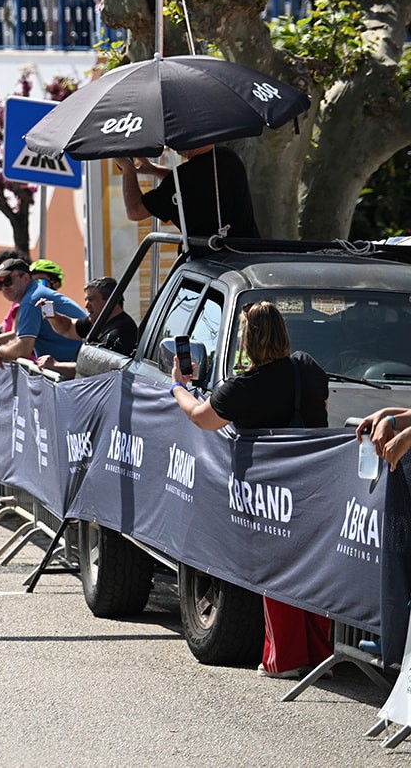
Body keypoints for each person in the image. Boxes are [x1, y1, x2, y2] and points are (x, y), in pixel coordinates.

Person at [170, 301, 331, 679]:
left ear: (247, 340)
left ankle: (285, 660)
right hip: (316, 482)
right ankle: (321, 657)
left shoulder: (242, 387)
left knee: (277, 573)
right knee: (316, 572)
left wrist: (179, 386)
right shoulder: (307, 367)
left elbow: (201, 418)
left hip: (269, 492)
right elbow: (320, 407)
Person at [0, 258, 86, 377]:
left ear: (26, 277)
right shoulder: (33, 296)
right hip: (79, 369)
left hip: (81, 373)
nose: (4, 288)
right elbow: (18, 338)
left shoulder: (32, 299)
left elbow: (23, 348)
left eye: (8, 281)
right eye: (0, 285)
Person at [121, 145, 261, 239]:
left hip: (209, 268)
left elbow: (135, 211)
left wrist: (128, 170)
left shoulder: (183, 179)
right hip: (249, 258)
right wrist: (153, 169)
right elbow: (197, 183)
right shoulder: (228, 158)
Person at [38, 276, 140, 378]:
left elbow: (98, 371)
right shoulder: (98, 321)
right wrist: (53, 316)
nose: (86, 305)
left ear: (110, 301)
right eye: (86, 299)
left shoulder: (121, 331)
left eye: (91, 299)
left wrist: (56, 366)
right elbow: (68, 328)